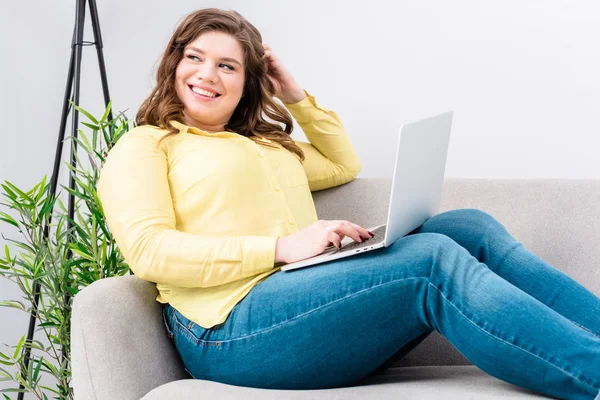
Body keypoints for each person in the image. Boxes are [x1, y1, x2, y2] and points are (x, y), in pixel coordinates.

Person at [96, 8, 600, 400]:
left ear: (247, 80)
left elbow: (342, 165)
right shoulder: (148, 144)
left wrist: (294, 95)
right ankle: (592, 373)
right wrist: (281, 247)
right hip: (227, 332)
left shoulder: (266, 145)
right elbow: (148, 250)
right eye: (195, 58)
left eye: (228, 65)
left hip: (303, 301)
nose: (208, 74)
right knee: (430, 263)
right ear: (174, 62)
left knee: (470, 226)